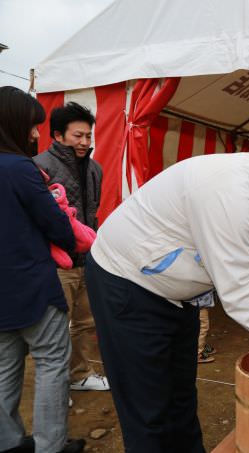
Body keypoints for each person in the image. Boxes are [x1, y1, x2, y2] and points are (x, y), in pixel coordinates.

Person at [85, 137, 249, 453]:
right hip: (128, 283)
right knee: (147, 406)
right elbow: (239, 293)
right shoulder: (231, 194)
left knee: (181, 394)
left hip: (178, 295)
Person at [0, 86, 86, 453]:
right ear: (14, 125)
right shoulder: (20, 168)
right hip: (32, 286)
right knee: (52, 364)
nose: (36, 134)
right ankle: (50, 446)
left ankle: (7, 442)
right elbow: (57, 226)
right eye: (32, 126)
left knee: (4, 370)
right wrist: (73, 237)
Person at [34, 102, 109, 392]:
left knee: (85, 322)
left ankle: (79, 374)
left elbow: (93, 212)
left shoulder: (95, 169)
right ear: (58, 135)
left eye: (88, 136)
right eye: (78, 135)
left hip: (87, 261)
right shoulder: (39, 166)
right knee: (52, 328)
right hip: (54, 263)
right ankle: (51, 391)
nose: (85, 142)